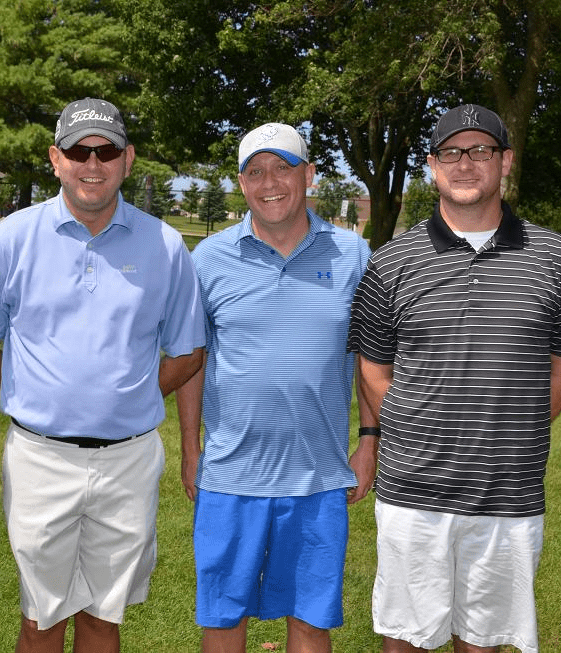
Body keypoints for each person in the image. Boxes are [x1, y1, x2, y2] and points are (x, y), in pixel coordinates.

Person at [347, 104, 561, 653]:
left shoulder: (558, 258)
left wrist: (503, 430)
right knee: (405, 638)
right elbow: (373, 365)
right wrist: (418, 428)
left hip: (509, 491)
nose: (465, 163)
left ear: (505, 161)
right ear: (433, 165)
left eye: (481, 150)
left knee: (483, 641)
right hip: (412, 490)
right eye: (452, 152)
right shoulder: (391, 261)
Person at [0, 97, 205, 653]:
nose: (92, 164)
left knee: (104, 618)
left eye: (106, 151)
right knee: (41, 619)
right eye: (78, 151)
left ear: (128, 159)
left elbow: (187, 352)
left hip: (129, 460)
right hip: (40, 458)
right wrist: (33, 395)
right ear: (56, 158)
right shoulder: (11, 238)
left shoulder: (165, 245)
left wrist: (132, 395)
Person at [176, 122, 372, 653]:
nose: (270, 182)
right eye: (255, 171)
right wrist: (191, 448)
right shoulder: (208, 260)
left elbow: (370, 361)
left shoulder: (354, 256)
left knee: (310, 621)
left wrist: (369, 443)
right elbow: (193, 361)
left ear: (308, 175)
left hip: (318, 474)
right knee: (222, 619)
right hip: (229, 474)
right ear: (241, 184)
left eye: (283, 167)